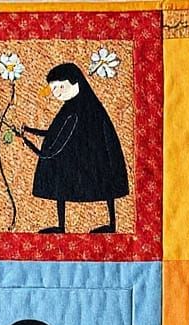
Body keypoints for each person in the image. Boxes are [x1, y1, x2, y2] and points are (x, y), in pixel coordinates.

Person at [20, 63, 129, 234]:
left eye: (61, 87)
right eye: (53, 89)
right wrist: (29, 131)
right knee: (62, 182)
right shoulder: (69, 108)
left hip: (93, 156)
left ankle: (111, 223)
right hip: (77, 154)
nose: (57, 93)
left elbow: (57, 143)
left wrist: (32, 146)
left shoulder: (78, 111)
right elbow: (55, 132)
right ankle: (61, 226)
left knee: (103, 180)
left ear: (76, 82)